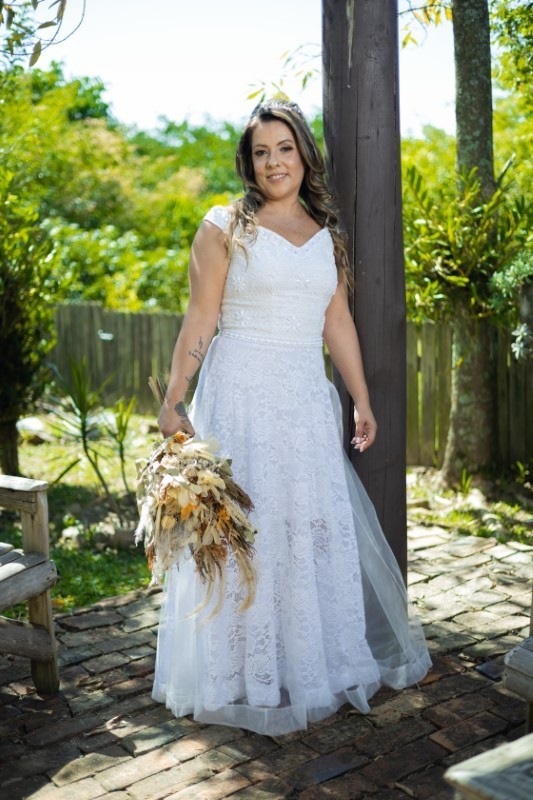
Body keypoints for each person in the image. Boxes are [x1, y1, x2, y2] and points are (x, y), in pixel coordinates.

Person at [153, 98, 431, 736]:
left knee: (305, 529)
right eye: (261, 152)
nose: (274, 162)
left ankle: (305, 662)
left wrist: (361, 400)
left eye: (285, 148)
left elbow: (338, 323)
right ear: (248, 163)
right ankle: (237, 673)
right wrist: (173, 399)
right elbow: (200, 319)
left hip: (305, 400)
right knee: (242, 531)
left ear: (305, 154)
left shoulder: (326, 235)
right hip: (240, 396)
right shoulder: (224, 227)